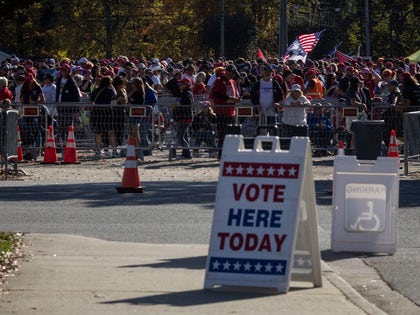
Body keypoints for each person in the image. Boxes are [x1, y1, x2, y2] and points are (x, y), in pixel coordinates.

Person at [209, 64, 241, 159]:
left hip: (231, 112)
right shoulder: (219, 81)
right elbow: (216, 94)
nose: (233, 75)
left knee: (231, 135)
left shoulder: (233, 82)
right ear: (227, 72)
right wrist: (230, 99)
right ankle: (221, 155)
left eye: (234, 74)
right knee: (222, 134)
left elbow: (236, 93)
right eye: (232, 73)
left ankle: (230, 154)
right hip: (222, 112)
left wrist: (237, 99)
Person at [90, 75, 117, 158]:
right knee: (110, 131)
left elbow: (91, 102)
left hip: (97, 112)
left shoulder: (95, 90)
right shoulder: (109, 91)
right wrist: (111, 86)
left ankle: (98, 151)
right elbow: (115, 94)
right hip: (107, 112)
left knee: (98, 133)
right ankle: (114, 150)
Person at [55, 62, 80, 145]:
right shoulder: (59, 80)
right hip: (60, 106)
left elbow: (76, 97)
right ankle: (61, 141)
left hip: (68, 108)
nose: (62, 72)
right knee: (60, 125)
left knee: (68, 126)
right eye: (61, 70)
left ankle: (68, 142)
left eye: (64, 71)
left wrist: (76, 110)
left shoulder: (72, 82)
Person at [171, 77, 194, 159]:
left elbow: (188, 103)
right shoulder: (183, 92)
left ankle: (187, 153)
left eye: (181, 83)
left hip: (185, 117)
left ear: (186, 85)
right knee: (184, 136)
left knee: (180, 136)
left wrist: (176, 105)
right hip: (182, 117)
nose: (179, 85)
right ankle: (185, 154)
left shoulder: (187, 93)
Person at [112, 76, 128, 153]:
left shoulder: (123, 90)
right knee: (116, 130)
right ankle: (116, 145)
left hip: (121, 111)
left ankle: (119, 144)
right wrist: (118, 100)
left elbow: (125, 100)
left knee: (120, 130)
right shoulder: (114, 90)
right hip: (115, 112)